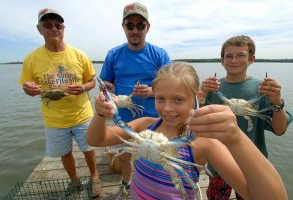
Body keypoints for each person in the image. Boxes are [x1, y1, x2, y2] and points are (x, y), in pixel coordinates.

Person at [87, 62, 288, 200]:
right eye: (160, 98)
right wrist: (101, 114)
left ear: (196, 98)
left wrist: (236, 139)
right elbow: (97, 139)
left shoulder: (202, 143)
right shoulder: (143, 125)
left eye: (178, 99)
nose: (167, 108)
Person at [19, 8, 101, 198]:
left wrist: (82, 88)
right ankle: (74, 181)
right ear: (39, 29)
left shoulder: (79, 55)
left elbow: (92, 80)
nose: (53, 28)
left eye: (58, 25)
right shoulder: (31, 59)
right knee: (65, 153)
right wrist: (29, 89)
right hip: (54, 120)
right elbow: (27, 85)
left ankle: (95, 176)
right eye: (47, 25)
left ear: (63, 28)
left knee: (88, 149)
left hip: (82, 114)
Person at [200, 35, 292, 200]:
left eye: (240, 55)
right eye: (229, 56)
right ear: (222, 61)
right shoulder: (213, 89)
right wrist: (200, 96)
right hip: (218, 164)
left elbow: (279, 130)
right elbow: (196, 125)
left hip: (251, 164)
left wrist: (277, 101)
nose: (234, 60)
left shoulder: (262, 90)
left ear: (251, 59)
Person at [99, 2, 171, 197]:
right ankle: (126, 182)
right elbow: (105, 81)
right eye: (130, 25)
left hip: (154, 118)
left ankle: (156, 189)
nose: (135, 30)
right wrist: (107, 88)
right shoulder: (114, 54)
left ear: (148, 28)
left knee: (157, 158)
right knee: (124, 155)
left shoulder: (160, 55)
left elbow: (172, 87)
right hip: (124, 119)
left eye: (140, 25)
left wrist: (151, 91)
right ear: (123, 27)